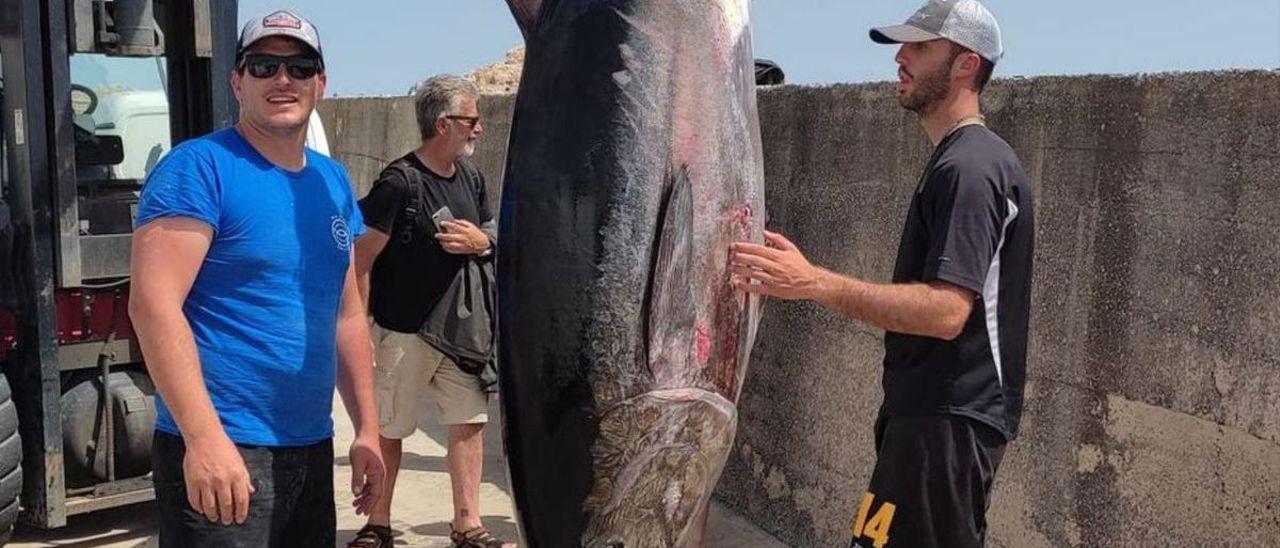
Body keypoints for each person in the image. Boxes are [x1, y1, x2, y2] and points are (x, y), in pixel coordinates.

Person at [731, 1, 1034, 547]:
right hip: (928, 421)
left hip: (946, 425)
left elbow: (946, 312)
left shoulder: (971, 167)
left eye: (919, 47)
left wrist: (812, 282)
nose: (900, 57)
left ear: (966, 65)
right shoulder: (956, 161)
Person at [129, 10, 384, 547]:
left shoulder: (331, 181)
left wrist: (366, 428)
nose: (282, 79)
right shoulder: (198, 169)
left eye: (299, 65)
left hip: (311, 449)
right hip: (225, 450)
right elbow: (153, 307)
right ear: (237, 81)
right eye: (264, 66)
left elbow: (346, 313)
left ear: (321, 82)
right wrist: (203, 439)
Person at [346, 75, 513, 548]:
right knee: (389, 431)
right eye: (471, 120)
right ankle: (378, 525)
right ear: (443, 124)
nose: (478, 129)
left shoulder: (471, 178)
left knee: (468, 427)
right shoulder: (399, 184)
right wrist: (360, 328)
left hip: (462, 334)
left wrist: (485, 241)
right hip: (404, 332)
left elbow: (490, 230)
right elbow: (361, 259)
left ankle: (468, 526)